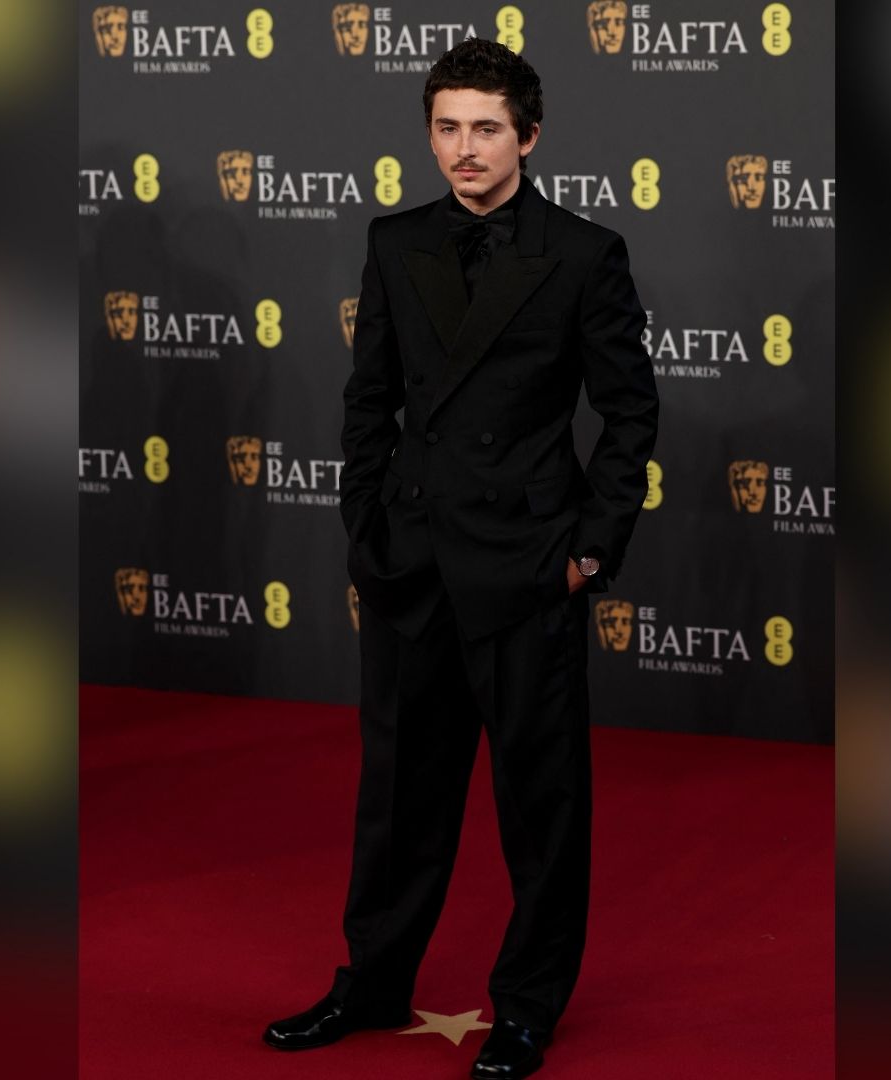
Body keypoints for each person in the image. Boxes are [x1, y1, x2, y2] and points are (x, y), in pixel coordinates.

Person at [263, 38, 658, 1080]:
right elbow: (368, 399)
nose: (464, 149)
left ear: (530, 135)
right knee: (398, 794)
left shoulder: (583, 254)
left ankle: (525, 1006)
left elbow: (630, 416)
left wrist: (589, 553)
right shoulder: (395, 244)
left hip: (529, 568)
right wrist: (367, 525)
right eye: (447, 127)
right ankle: (374, 981)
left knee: (540, 801)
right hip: (412, 559)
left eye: (486, 128)